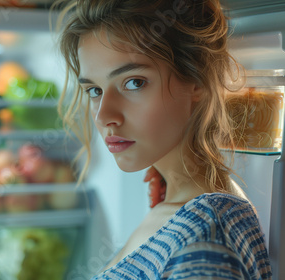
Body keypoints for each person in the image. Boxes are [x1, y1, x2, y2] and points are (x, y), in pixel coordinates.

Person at [54, 0, 272, 279]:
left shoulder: (204, 240)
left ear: (197, 81)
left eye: (134, 82)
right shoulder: (185, 209)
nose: (104, 115)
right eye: (95, 90)